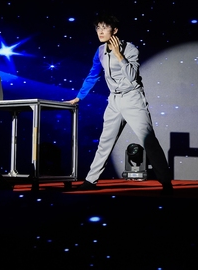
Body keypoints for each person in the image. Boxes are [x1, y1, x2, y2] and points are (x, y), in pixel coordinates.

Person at [66, 13, 173, 194]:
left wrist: (118, 54)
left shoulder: (130, 49)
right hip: (114, 100)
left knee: (148, 140)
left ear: (114, 30)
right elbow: (93, 74)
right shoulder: (100, 51)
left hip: (132, 98)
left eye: (104, 28)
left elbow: (132, 76)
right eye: (98, 28)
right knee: (105, 142)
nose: (100, 31)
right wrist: (79, 97)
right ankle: (91, 180)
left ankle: (166, 182)